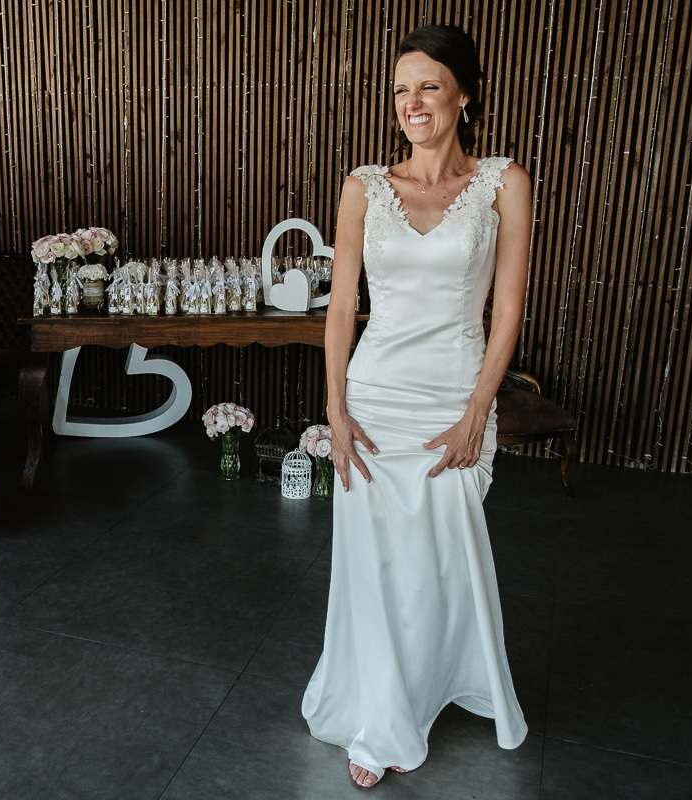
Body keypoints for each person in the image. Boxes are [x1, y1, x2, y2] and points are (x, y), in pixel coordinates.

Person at [302, 25, 531, 788]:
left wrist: (477, 412)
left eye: (429, 85)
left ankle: (423, 689)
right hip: (374, 398)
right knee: (377, 568)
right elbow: (341, 308)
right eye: (402, 89)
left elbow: (507, 311)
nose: (413, 102)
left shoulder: (505, 183)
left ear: (463, 94)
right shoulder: (364, 187)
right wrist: (336, 409)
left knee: (432, 569)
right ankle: (383, 720)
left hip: (453, 399)